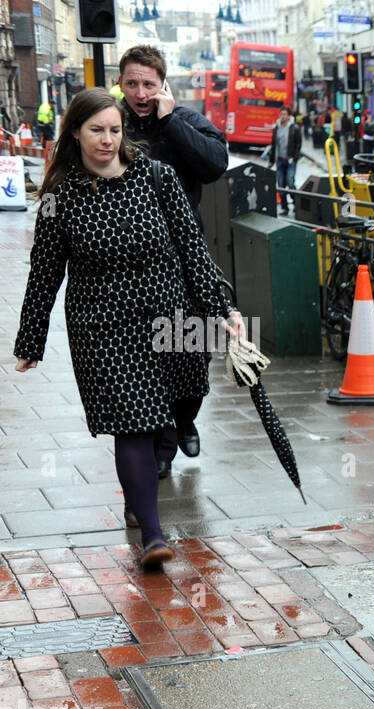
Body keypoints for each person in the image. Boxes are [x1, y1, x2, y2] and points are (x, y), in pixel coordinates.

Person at [13, 89, 242, 568]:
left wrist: (223, 309)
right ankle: (153, 537)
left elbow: (192, 250)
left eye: (115, 130)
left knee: (175, 409)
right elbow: (44, 271)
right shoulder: (59, 198)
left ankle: (139, 495)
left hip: (170, 319)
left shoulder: (157, 178)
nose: (107, 140)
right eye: (97, 130)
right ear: (75, 132)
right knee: (133, 426)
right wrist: (30, 340)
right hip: (103, 329)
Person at [119, 44, 229, 477]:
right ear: (121, 83)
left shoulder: (185, 120)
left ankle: (184, 420)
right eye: (132, 84)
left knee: (192, 346)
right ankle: (162, 446)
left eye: (148, 84)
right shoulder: (115, 124)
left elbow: (214, 164)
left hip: (184, 255)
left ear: (163, 84)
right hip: (132, 259)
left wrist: (169, 122)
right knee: (149, 354)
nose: (140, 93)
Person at [268, 106, 302, 215]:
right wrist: (271, 160)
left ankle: (297, 204)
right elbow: (274, 145)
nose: (283, 117)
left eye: (285, 114)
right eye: (281, 114)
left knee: (290, 183)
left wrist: (295, 158)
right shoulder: (277, 128)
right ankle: (284, 207)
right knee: (281, 184)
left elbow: (298, 145)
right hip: (280, 160)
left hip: (290, 160)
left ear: (289, 116)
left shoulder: (295, 128)